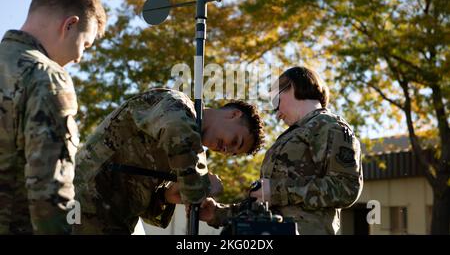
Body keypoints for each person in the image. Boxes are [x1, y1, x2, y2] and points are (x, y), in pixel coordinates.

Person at [72, 88, 264, 234]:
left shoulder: (190, 154)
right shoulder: (177, 105)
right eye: (235, 142)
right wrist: (201, 186)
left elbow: (142, 205)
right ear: (234, 115)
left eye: (232, 153)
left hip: (111, 220)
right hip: (82, 206)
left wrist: (166, 196)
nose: (226, 150)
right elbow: (176, 132)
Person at [198, 66, 363, 235]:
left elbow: (347, 188)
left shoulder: (329, 126)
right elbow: (268, 202)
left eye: (276, 102)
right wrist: (218, 213)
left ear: (293, 86)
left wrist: (277, 190)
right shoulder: (289, 137)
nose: (277, 114)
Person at [0, 0, 106, 235]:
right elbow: (49, 193)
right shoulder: (46, 77)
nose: (80, 57)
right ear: (70, 25)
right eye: (86, 44)